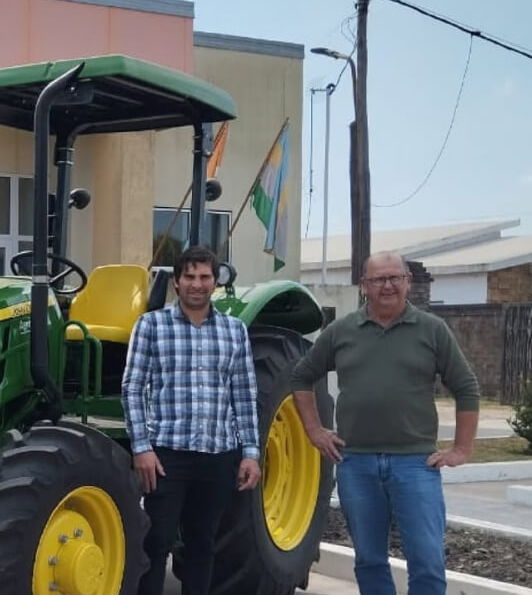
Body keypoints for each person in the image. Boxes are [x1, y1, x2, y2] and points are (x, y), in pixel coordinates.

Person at [290, 251, 480, 595]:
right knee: (369, 560)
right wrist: (314, 431)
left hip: (415, 464)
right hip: (356, 463)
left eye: (395, 278)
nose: (387, 286)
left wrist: (462, 449)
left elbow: (466, 388)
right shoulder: (342, 331)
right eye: (378, 279)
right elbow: (302, 376)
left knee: (427, 561)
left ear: (408, 282)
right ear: (364, 285)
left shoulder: (432, 330)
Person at [121, 246, 261, 595]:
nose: (197, 284)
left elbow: (244, 395)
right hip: (167, 456)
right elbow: (132, 388)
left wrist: (250, 453)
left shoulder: (234, 330)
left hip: (217, 455)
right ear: (177, 282)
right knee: (156, 542)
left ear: (215, 282)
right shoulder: (151, 325)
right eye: (190, 277)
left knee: (202, 544)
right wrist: (141, 448)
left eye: (204, 277)